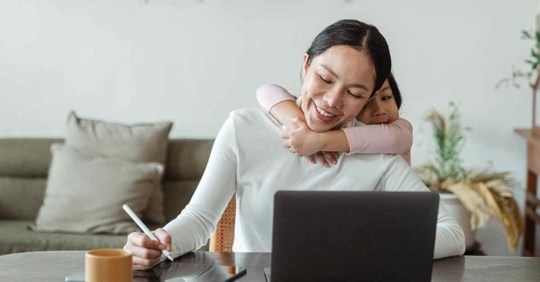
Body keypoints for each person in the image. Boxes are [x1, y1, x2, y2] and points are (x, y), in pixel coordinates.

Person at [124, 19, 466, 270]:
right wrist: (157, 242)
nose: (332, 101)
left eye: (355, 93)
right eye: (325, 78)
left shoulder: (377, 153)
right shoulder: (244, 128)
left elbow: (452, 233)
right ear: (305, 66)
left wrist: (373, 246)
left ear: (369, 99)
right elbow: (199, 220)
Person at [255, 73, 412, 166]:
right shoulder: (341, 124)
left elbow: (392, 138)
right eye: (366, 103)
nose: (379, 111)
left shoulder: (400, 130)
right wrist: (301, 128)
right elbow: (267, 90)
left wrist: (318, 140)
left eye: (386, 97)